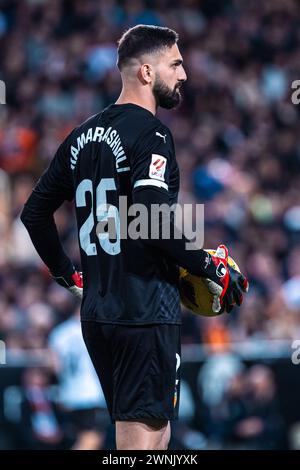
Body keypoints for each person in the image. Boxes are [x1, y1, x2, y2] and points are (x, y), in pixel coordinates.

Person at [21, 24, 248, 450]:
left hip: (100, 311)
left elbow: (34, 214)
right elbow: (150, 214)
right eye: (176, 64)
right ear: (146, 72)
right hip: (142, 310)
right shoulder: (152, 133)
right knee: (141, 446)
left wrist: (68, 276)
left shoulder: (81, 136)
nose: (184, 74)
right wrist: (206, 264)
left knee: (152, 438)